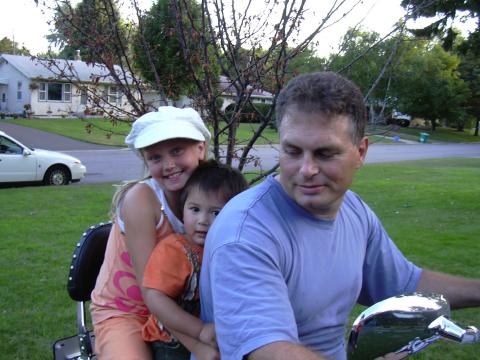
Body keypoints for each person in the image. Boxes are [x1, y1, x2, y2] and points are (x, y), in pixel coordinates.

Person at [198, 71, 480, 360]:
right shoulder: (245, 233)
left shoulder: (354, 211)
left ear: (360, 152)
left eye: (325, 153)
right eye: (293, 151)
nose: (306, 169)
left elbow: (404, 284)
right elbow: (266, 350)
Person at [90, 106, 214, 359]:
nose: (168, 165)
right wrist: (198, 343)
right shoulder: (142, 200)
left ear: (200, 148)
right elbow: (151, 293)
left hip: (183, 308)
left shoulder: (211, 196)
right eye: (155, 157)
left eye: (177, 151)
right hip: (127, 313)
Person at [141, 160, 247, 360]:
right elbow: (155, 298)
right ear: (183, 209)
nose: (202, 220)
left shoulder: (230, 250)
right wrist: (199, 331)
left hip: (215, 336)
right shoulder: (175, 251)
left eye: (215, 212)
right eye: (195, 209)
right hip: (170, 342)